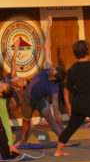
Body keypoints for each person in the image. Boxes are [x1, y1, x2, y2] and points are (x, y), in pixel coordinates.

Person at [15, 16, 67, 146]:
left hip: (39, 100)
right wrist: (49, 28)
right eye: (54, 68)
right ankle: (23, 140)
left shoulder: (54, 90)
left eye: (54, 71)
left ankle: (62, 139)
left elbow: (56, 109)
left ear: (54, 78)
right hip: (27, 96)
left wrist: (59, 121)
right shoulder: (48, 67)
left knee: (48, 115)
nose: (52, 68)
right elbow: (48, 47)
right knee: (26, 121)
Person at [0, 83, 19, 160]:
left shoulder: (1, 104)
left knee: (1, 132)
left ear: (1, 94)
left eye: (0, 86)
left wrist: (10, 143)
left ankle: (9, 153)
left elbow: (6, 124)